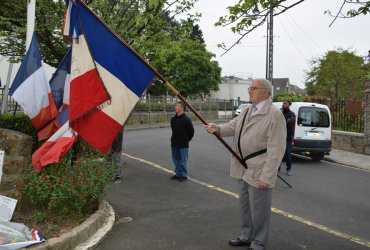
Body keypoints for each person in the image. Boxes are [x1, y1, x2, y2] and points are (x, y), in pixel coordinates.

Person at [204, 78, 286, 250]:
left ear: (266, 92)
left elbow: (276, 150)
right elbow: (232, 127)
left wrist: (268, 177)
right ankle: (246, 236)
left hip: (260, 169)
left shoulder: (274, 115)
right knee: (245, 207)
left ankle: (259, 242)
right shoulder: (248, 110)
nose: (249, 91)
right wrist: (217, 128)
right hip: (243, 167)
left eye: (253, 88)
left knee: (259, 211)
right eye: (249, 88)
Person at [170, 101, 194, 182]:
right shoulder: (173, 119)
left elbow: (191, 132)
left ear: (182, 108)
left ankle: (184, 175)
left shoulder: (187, 120)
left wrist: (186, 140)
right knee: (175, 159)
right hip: (174, 143)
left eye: (177, 106)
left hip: (183, 144)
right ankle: (178, 174)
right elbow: (173, 130)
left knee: (183, 160)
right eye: (176, 106)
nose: (175, 107)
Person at [281, 101, 296, 176]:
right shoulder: (280, 113)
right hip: (279, 135)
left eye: (285, 104)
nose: (283, 105)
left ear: (289, 105)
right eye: (283, 103)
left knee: (287, 152)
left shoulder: (291, 114)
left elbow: (289, 124)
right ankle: (277, 167)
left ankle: (288, 169)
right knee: (277, 152)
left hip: (288, 136)